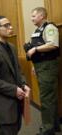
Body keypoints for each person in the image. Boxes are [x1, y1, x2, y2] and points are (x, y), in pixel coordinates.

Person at [0, 15, 30, 135]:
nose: (11, 27)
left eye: (10, 24)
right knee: (9, 131)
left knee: (13, 130)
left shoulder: (12, 47)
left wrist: (24, 84)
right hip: (4, 104)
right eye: (6, 25)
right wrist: (14, 90)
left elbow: (18, 70)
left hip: (16, 101)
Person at [24, 7, 60, 135]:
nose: (32, 18)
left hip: (48, 67)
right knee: (49, 97)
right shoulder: (37, 30)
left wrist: (35, 50)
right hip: (41, 65)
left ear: (41, 16)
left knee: (46, 98)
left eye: (34, 16)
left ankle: (47, 128)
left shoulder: (49, 28)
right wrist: (35, 64)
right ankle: (54, 124)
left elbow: (53, 44)